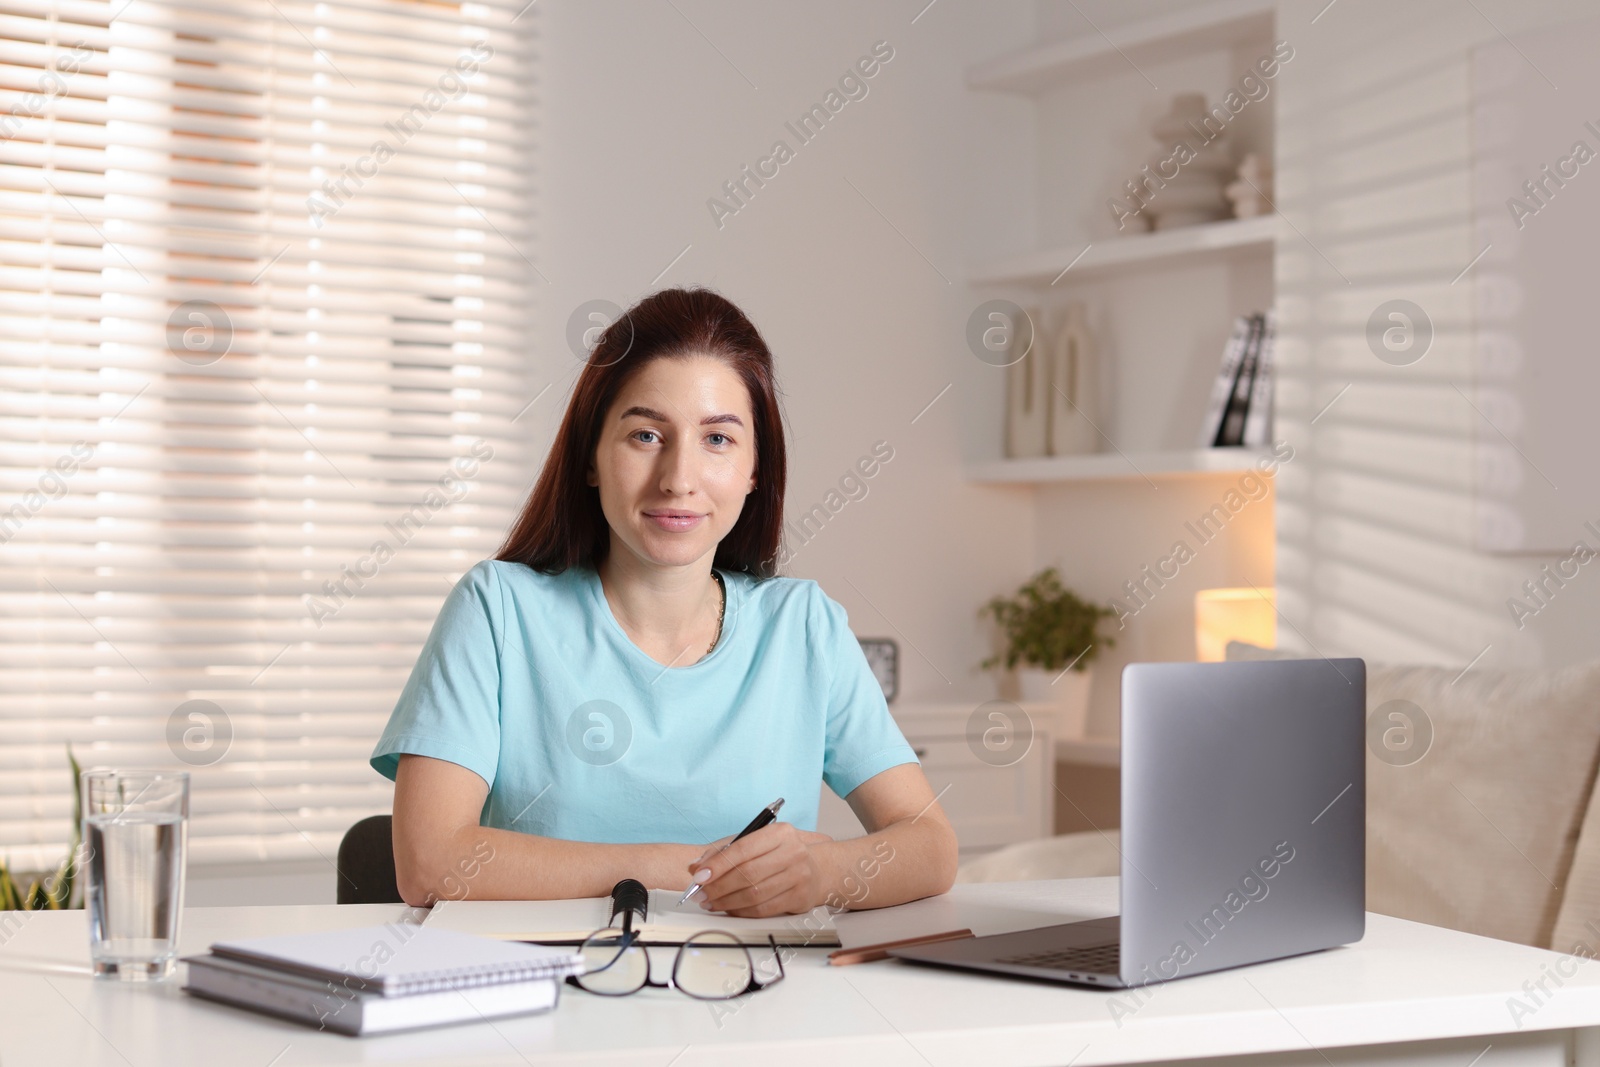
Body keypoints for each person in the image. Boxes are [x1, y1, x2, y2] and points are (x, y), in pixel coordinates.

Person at [372, 286, 958, 917]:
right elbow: (429, 865)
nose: (678, 478)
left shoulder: (804, 626)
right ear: (592, 457)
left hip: (762, 1000)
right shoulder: (496, 610)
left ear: (756, 469)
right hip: (544, 997)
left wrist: (822, 871)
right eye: (646, 435)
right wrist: (679, 868)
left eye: (718, 440)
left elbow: (931, 847)